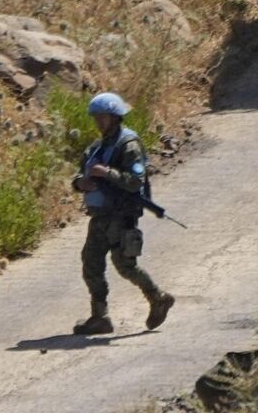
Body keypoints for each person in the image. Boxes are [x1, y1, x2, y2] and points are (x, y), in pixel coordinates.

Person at [71, 92, 175, 335]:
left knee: (125, 265)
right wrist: (80, 183)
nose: (99, 122)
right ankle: (100, 316)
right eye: (96, 117)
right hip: (100, 216)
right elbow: (80, 174)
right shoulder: (97, 147)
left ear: (115, 117)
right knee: (91, 263)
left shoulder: (128, 145)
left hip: (120, 215)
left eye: (103, 117)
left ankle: (157, 297)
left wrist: (107, 174)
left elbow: (135, 181)